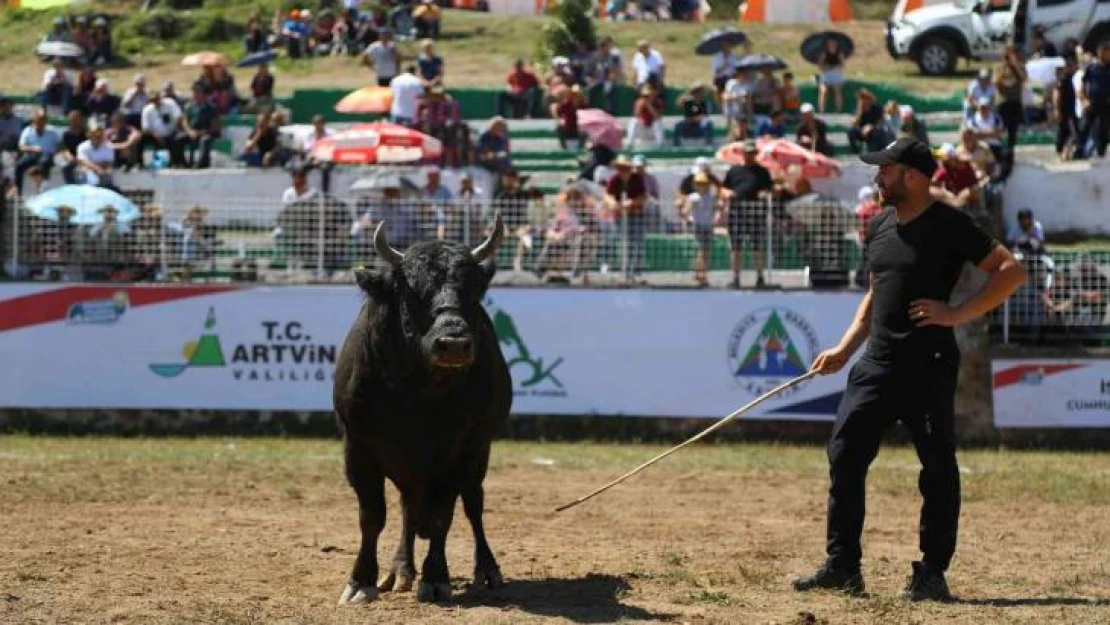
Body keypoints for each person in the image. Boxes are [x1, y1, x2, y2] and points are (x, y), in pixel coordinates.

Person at [792, 137, 1027, 602]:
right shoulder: (879, 225)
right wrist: (845, 347)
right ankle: (843, 566)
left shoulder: (950, 224)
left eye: (886, 169)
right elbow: (877, 291)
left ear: (914, 177)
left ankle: (931, 572)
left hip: (929, 366)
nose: (877, 177)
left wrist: (957, 313)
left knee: (937, 468)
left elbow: (1011, 271)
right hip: (875, 363)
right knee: (845, 455)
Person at [818, 37, 846, 113]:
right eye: (830, 44)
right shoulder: (824, 53)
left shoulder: (839, 53)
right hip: (826, 75)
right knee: (824, 91)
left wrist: (833, 68)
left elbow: (842, 65)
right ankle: (822, 110)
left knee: (837, 90)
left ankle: (838, 110)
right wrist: (826, 67)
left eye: (834, 44)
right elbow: (820, 66)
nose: (832, 45)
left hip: (836, 75)